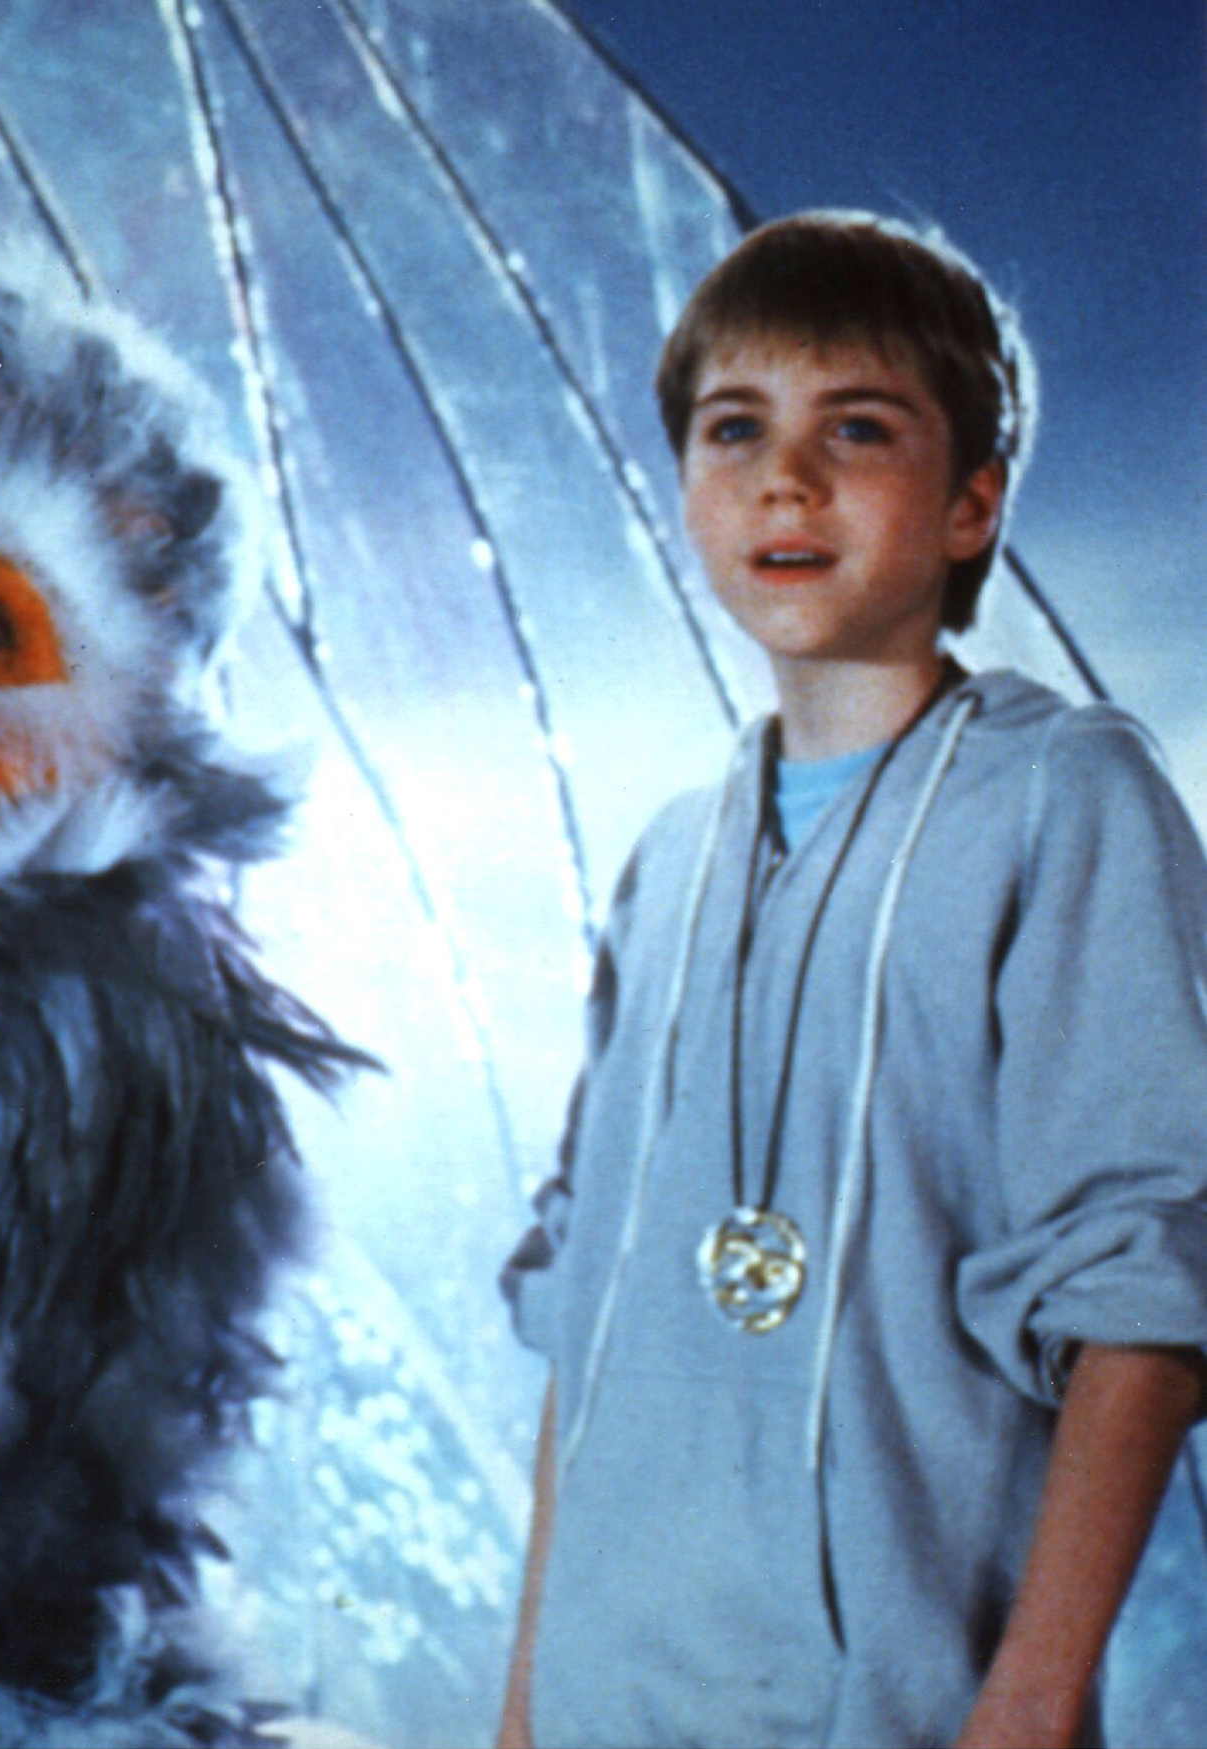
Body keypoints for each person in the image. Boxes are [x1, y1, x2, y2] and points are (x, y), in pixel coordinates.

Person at [494, 212, 1207, 1748]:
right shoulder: (665, 862)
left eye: (856, 428)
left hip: (907, 1714)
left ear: (969, 505)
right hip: (608, 1705)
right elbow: (587, 1323)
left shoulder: (1061, 801)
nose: (784, 479)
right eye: (731, 427)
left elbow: (1143, 1291)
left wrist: (1030, 1698)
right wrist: (520, 1708)